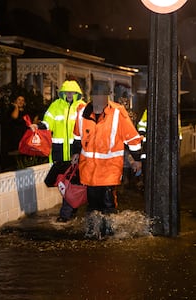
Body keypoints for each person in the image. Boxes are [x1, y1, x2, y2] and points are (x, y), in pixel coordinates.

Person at [71, 83, 142, 238]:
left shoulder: (117, 113)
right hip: (89, 170)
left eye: (102, 96)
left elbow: (132, 138)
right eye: (96, 96)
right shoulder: (82, 112)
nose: (99, 99)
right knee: (93, 204)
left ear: (107, 97)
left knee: (108, 203)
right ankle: (92, 233)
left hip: (109, 169)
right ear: (92, 97)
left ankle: (108, 233)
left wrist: (136, 159)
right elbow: (77, 136)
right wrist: (75, 152)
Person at [30, 79, 86, 222]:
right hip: (59, 152)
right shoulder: (55, 106)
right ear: (62, 93)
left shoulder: (82, 107)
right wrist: (38, 126)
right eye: (67, 91)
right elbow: (48, 123)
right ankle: (71, 210)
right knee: (63, 183)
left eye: (72, 92)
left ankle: (65, 215)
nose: (69, 94)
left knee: (70, 183)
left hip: (76, 152)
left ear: (77, 93)